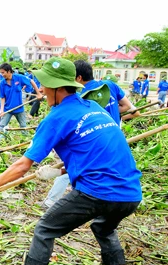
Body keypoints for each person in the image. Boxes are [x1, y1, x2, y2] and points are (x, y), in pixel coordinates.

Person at [0, 57, 141, 265]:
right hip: (130, 194)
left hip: (96, 192)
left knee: (44, 229)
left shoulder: (57, 117)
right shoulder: (94, 109)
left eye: (44, 85)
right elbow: (95, 151)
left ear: (57, 88)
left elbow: (22, 165)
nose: (41, 90)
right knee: (104, 228)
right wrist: (59, 169)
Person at [40, 60, 139, 209]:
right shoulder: (109, 86)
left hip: (91, 139)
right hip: (112, 134)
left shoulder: (83, 97)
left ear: (78, 78)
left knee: (82, 166)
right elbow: (127, 107)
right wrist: (111, 118)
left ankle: (54, 201)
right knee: (118, 166)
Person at [0, 63, 43, 138]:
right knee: (1, 127)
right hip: (7, 109)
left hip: (19, 109)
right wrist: (1, 110)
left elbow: (31, 81)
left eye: (3, 72)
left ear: (9, 71)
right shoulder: (2, 83)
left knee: (23, 127)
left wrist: (38, 93)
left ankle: (25, 141)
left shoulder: (18, 78)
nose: (2, 74)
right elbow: (2, 97)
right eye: (1, 73)